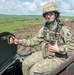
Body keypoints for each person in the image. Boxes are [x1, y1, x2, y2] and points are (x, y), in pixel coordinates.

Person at [10, 2, 74, 75]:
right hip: (45, 54)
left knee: (33, 70)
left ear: (56, 15)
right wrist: (19, 41)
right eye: (47, 14)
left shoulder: (64, 29)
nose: (49, 16)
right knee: (25, 64)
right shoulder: (44, 29)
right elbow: (33, 41)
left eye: (51, 14)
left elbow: (72, 45)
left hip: (58, 58)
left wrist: (58, 49)